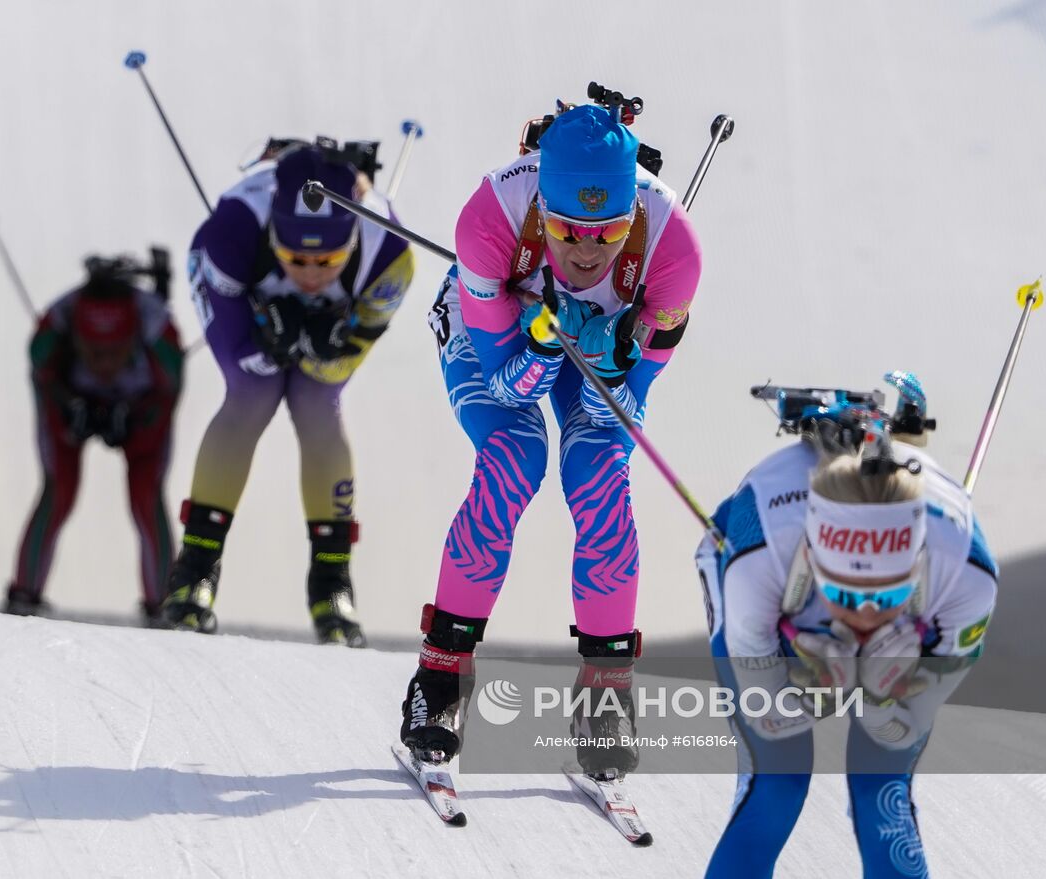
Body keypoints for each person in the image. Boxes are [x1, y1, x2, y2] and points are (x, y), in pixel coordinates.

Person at [398, 101, 703, 776]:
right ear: (542, 203)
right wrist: (541, 340)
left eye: (610, 231)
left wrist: (620, 356)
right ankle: (439, 680)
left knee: (600, 474)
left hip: (590, 346)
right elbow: (509, 389)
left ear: (634, 214)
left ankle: (605, 696)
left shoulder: (674, 251)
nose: (588, 251)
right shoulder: (489, 220)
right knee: (514, 457)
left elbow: (630, 401)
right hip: (501, 334)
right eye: (567, 229)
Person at [695, 386, 999, 879]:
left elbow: (908, 723)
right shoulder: (760, 562)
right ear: (813, 558)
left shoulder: (967, 573)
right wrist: (805, 697)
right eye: (847, 595)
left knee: (883, 787)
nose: (864, 617)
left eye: (884, 597)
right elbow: (768, 714)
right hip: (758, 579)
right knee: (777, 781)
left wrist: (881, 704)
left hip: (833, 605)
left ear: (919, 564)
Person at [161, 142, 414, 644]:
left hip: (328, 306)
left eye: (329, 260)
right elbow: (240, 348)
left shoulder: (390, 254)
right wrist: (270, 336)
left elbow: (347, 354)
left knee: (317, 403)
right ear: (273, 233)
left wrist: (329, 343)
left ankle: (331, 579)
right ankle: (195, 570)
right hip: (241, 291)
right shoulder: (232, 229)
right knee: (252, 392)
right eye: (296, 257)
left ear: (352, 244)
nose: (312, 273)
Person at [6, 256, 185, 621]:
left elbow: (170, 391)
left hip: (142, 406)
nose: (104, 363)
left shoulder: (157, 332)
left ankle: (163, 603)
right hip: (71, 400)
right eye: (92, 352)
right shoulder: (56, 326)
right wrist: (68, 409)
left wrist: (138, 419)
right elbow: (40, 376)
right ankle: (24, 594)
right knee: (58, 490)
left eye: (115, 352)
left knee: (147, 496)